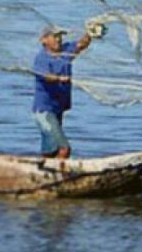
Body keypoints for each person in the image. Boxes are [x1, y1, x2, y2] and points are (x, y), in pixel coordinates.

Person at [31, 22, 105, 159]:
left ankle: (41, 172)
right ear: (44, 40)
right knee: (64, 149)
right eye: (55, 36)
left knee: (50, 151)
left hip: (58, 109)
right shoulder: (42, 58)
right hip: (44, 111)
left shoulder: (65, 52)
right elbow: (45, 76)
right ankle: (57, 176)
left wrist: (90, 33)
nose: (59, 39)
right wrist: (59, 78)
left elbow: (81, 45)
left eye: (60, 36)